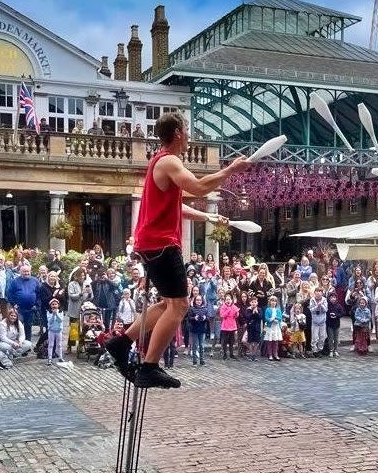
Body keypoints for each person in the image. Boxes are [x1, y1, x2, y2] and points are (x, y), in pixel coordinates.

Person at [104, 111, 250, 388]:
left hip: (152, 244)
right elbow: (198, 187)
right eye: (188, 130)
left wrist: (208, 217)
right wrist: (230, 170)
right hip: (161, 245)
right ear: (179, 133)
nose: (191, 137)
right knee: (181, 305)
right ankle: (149, 366)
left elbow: (176, 207)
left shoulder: (161, 162)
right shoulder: (170, 161)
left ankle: (121, 343)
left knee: (168, 304)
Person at [7, 265, 41, 344]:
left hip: (31, 309)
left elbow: (39, 294)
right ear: (20, 272)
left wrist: (36, 304)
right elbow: (9, 293)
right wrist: (13, 303)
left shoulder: (35, 281)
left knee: (28, 327)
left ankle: (28, 345)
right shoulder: (15, 281)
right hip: (19, 309)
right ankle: (18, 344)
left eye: (28, 271)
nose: (26, 273)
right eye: (24, 271)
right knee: (18, 326)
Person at [263, 296, 283, 361]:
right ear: (270, 302)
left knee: (275, 341)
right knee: (270, 341)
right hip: (270, 327)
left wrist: (276, 319)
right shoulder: (268, 309)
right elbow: (266, 318)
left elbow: (280, 318)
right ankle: (270, 354)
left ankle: (275, 354)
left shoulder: (278, 310)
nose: (273, 302)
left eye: (275, 301)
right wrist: (271, 319)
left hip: (276, 327)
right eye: (272, 301)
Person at [309, 287, 328, 357]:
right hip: (315, 322)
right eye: (317, 291)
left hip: (322, 322)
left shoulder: (324, 300)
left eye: (320, 291)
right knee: (314, 337)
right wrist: (317, 306)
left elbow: (326, 310)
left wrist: (321, 305)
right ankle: (314, 350)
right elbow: (311, 310)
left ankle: (320, 349)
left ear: (322, 293)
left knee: (322, 337)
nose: (318, 293)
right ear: (314, 292)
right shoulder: (312, 300)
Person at [46, 298, 66, 366]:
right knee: (51, 345)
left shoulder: (60, 312)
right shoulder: (49, 312)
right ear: (50, 305)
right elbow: (50, 321)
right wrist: (53, 315)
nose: (54, 305)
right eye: (53, 304)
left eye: (55, 304)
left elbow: (60, 320)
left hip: (58, 331)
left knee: (59, 345)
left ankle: (60, 357)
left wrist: (56, 315)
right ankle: (50, 358)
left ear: (58, 305)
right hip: (51, 331)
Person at [325, 293, 342, 358]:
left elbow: (342, 313)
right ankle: (331, 350)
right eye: (331, 297)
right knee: (330, 338)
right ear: (329, 298)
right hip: (329, 324)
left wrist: (336, 315)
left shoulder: (338, 306)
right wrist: (330, 315)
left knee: (336, 338)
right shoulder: (328, 306)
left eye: (334, 297)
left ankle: (336, 350)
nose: (333, 299)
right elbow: (326, 313)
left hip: (337, 324)